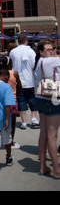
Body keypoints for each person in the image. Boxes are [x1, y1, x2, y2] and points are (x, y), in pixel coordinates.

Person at [34, 40, 60, 179]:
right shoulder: (49, 61)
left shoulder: (40, 62)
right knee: (52, 134)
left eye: (52, 49)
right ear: (41, 52)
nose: (51, 51)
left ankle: (43, 166)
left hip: (41, 97)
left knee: (44, 132)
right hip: (52, 99)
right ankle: (57, 170)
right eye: (48, 49)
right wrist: (55, 55)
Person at [9, 34, 39, 129]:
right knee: (32, 99)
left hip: (18, 79)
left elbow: (10, 64)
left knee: (21, 100)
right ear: (26, 41)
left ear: (18, 41)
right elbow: (34, 65)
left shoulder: (13, 52)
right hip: (29, 79)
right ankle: (33, 118)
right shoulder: (31, 52)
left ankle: (24, 122)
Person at [6, 57, 22, 149]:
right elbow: (19, 86)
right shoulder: (14, 73)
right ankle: (11, 141)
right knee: (12, 123)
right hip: (12, 99)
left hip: (1, 101)